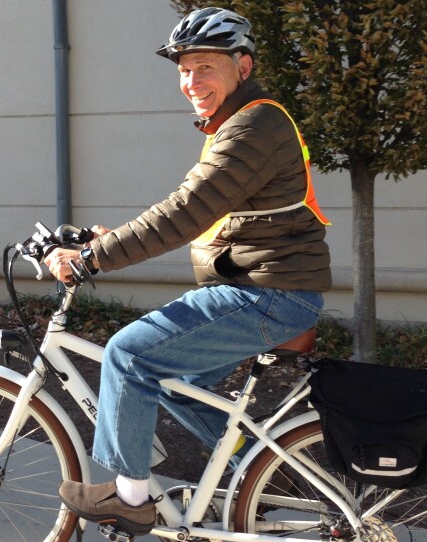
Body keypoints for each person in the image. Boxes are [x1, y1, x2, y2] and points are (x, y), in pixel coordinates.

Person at [44, 7, 332, 536]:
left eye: (204, 66)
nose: (190, 81)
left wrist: (90, 261)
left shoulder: (255, 125)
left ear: (242, 66)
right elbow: (210, 214)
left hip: (266, 293)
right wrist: (107, 241)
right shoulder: (241, 123)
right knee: (175, 384)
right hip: (268, 287)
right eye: (183, 69)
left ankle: (129, 499)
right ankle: (259, 476)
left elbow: (184, 213)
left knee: (128, 355)